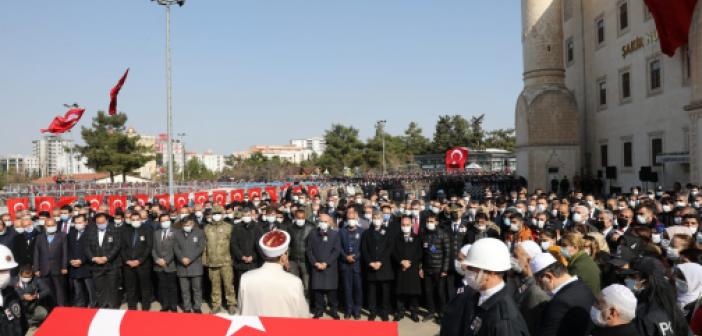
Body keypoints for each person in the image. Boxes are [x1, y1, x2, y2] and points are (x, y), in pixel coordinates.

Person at [441, 237, 529, 336]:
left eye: (471, 268)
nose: (467, 271)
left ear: (491, 272)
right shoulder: (479, 297)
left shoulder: (504, 321)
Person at [238, 230, 309, 318]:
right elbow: (303, 315)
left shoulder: (245, 278)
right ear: (284, 255)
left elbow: (241, 309)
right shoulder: (294, 282)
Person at [530, 252, 596, 336]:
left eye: (538, 281)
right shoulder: (582, 285)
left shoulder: (559, 302)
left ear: (548, 276)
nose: (537, 284)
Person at [361, 209, 396, 321]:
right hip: (371, 266)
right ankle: (373, 311)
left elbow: (389, 249)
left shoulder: (389, 231)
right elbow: (364, 249)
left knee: (385, 292)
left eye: (379, 218)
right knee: (372, 291)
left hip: (384, 266)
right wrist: (370, 262)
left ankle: (384, 311)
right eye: (375, 218)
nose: (376, 220)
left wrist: (380, 262)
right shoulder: (366, 233)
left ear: (382, 219)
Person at [202, 205, 236, 315]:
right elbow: (204, 246)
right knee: (214, 285)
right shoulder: (207, 228)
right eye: (214, 213)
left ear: (222, 214)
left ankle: (231, 304)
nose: (216, 216)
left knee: (228, 284)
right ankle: (216, 304)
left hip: (226, 261)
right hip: (212, 262)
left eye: (218, 213)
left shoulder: (228, 227)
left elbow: (232, 244)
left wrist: (232, 259)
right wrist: (205, 260)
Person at [511, 240, 549, 336]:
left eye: (516, 256)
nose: (512, 259)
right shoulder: (523, 279)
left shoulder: (536, 291)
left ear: (529, 260)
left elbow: (529, 327)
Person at [306, 214, 341, 319]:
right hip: (316, 266)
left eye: (325, 221)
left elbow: (336, 251)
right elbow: (309, 250)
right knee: (318, 291)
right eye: (321, 221)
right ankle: (319, 310)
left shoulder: (335, 234)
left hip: (330, 267)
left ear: (330, 222)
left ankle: (334, 310)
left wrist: (327, 263)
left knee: (332, 291)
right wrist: (315, 263)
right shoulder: (312, 234)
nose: (323, 223)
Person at [84, 212, 121, 308]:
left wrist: (107, 258)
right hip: (96, 265)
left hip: (111, 264)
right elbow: (86, 247)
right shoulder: (90, 231)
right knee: (99, 288)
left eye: (102, 222)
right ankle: (103, 305)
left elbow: (117, 246)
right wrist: (93, 258)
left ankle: (113, 306)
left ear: (107, 221)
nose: (100, 224)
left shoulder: (115, 230)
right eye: (98, 223)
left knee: (112, 287)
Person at [120, 212, 153, 311]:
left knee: (145, 288)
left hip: (143, 264)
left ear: (141, 219)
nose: (135, 221)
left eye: (137, 219)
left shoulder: (147, 230)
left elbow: (149, 247)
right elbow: (122, 247)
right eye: (133, 219)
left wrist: (139, 260)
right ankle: (132, 307)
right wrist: (127, 260)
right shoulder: (125, 231)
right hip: (128, 265)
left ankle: (145, 308)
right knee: (130, 288)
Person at [392, 215, 422, 322]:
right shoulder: (396, 237)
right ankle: (400, 311)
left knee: (413, 292)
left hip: (412, 268)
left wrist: (410, 262)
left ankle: (414, 312)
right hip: (400, 268)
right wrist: (401, 261)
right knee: (400, 292)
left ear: (412, 225)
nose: (405, 227)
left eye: (407, 225)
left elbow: (419, 252)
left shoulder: (417, 238)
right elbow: (393, 252)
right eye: (403, 225)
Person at [420, 213, 450, 323]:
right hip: (427, 268)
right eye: (428, 221)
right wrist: (421, 267)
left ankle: (442, 313)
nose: (429, 223)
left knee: (440, 292)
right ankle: (431, 312)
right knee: (428, 292)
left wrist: (444, 270)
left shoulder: (443, 234)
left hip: (439, 269)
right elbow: (422, 253)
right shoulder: (424, 233)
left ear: (436, 222)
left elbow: (447, 253)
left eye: (431, 221)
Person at [32, 218, 68, 307]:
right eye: (48, 225)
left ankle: (61, 307)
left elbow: (65, 252)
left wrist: (64, 267)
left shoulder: (62, 236)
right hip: (44, 268)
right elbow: (36, 254)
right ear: (44, 226)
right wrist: (36, 269)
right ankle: (51, 308)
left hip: (58, 268)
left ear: (56, 225)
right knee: (48, 290)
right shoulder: (39, 237)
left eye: (53, 225)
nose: (51, 227)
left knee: (59, 290)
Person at [174, 218, 205, 313]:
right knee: (184, 290)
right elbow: (175, 247)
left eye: (189, 224)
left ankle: (197, 307)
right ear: (182, 225)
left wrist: (190, 259)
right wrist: (181, 258)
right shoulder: (177, 233)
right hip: (182, 266)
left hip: (195, 265)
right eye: (185, 225)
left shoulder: (199, 232)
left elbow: (200, 247)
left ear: (193, 224)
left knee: (197, 289)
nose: (187, 226)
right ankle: (187, 307)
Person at [339, 208, 364, 320]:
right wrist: (345, 257)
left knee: (358, 289)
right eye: (349, 218)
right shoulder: (341, 231)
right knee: (347, 288)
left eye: (353, 218)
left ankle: (357, 310)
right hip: (345, 264)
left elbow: (363, 248)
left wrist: (355, 257)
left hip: (357, 265)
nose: (351, 220)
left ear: (356, 218)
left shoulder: (362, 231)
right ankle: (348, 310)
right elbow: (338, 247)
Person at [231, 209, 264, 293]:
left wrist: (253, 256)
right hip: (240, 263)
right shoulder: (236, 227)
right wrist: (241, 256)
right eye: (245, 215)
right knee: (241, 285)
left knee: (253, 285)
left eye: (248, 215)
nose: (247, 217)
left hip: (254, 263)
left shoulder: (257, 227)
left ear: (251, 215)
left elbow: (260, 245)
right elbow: (233, 244)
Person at [66, 215, 94, 307]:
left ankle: (92, 304)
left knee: (90, 288)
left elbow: (92, 249)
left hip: (87, 265)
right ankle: (80, 305)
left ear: (86, 222)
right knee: (78, 289)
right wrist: (70, 260)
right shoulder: (71, 232)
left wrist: (81, 260)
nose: (78, 225)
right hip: (74, 265)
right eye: (76, 223)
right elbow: (68, 248)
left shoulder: (91, 232)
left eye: (80, 222)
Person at [153, 214, 178, 313]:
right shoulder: (156, 233)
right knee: (162, 286)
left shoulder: (175, 232)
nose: (165, 222)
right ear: (160, 222)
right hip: (158, 265)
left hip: (170, 264)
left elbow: (175, 249)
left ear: (170, 221)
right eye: (162, 221)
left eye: (167, 220)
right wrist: (157, 259)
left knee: (172, 286)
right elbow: (153, 248)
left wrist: (166, 260)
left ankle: (173, 305)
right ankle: (165, 304)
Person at [286, 209, 315, 293]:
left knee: (307, 284)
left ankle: (307, 302)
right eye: (298, 217)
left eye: (302, 218)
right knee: (293, 283)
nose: (300, 219)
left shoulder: (311, 228)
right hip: (293, 260)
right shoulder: (290, 228)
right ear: (295, 217)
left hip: (306, 260)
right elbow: (288, 245)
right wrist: (286, 259)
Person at [0, 244, 26, 336]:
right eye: (1, 271)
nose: (5, 275)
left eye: (7, 270)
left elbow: (22, 322)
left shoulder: (12, 292)